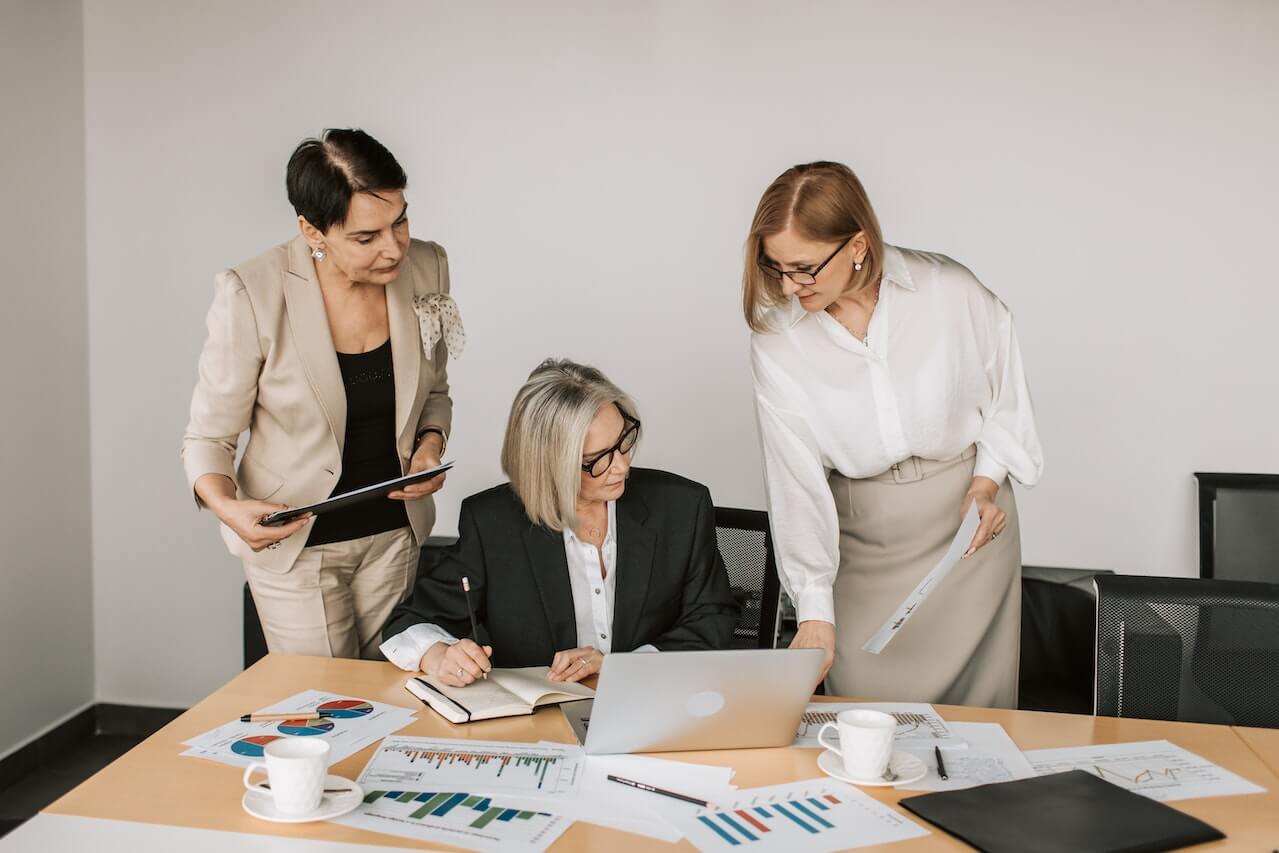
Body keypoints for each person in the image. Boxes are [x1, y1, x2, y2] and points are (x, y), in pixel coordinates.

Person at [744, 161, 1043, 708]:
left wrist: (986, 484)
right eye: (776, 268)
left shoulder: (949, 290)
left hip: (968, 531)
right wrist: (814, 609)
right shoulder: (778, 341)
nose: (789, 286)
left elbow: (1007, 396)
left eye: (804, 268)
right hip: (862, 543)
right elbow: (795, 481)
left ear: (857, 244)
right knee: (861, 720)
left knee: (978, 726)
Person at [182, 129, 463, 659]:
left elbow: (435, 392)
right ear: (312, 229)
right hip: (297, 545)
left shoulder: (427, 266)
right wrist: (228, 507)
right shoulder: (252, 291)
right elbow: (208, 437)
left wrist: (429, 447)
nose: (393, 246)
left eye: (399, 220)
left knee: (397, 703)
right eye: (365, 237)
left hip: (395, 537)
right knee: (325, 713)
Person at [381, 359, 739, 685]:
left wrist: (621, 666)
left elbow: (713, 619)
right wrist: (439, 654)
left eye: (624, 440)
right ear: (548, 464)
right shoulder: (493, 524)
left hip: (648, 704)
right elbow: (408, 623)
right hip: (537, 726)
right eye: (598, 458)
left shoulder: (681, 507)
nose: (623, 466)